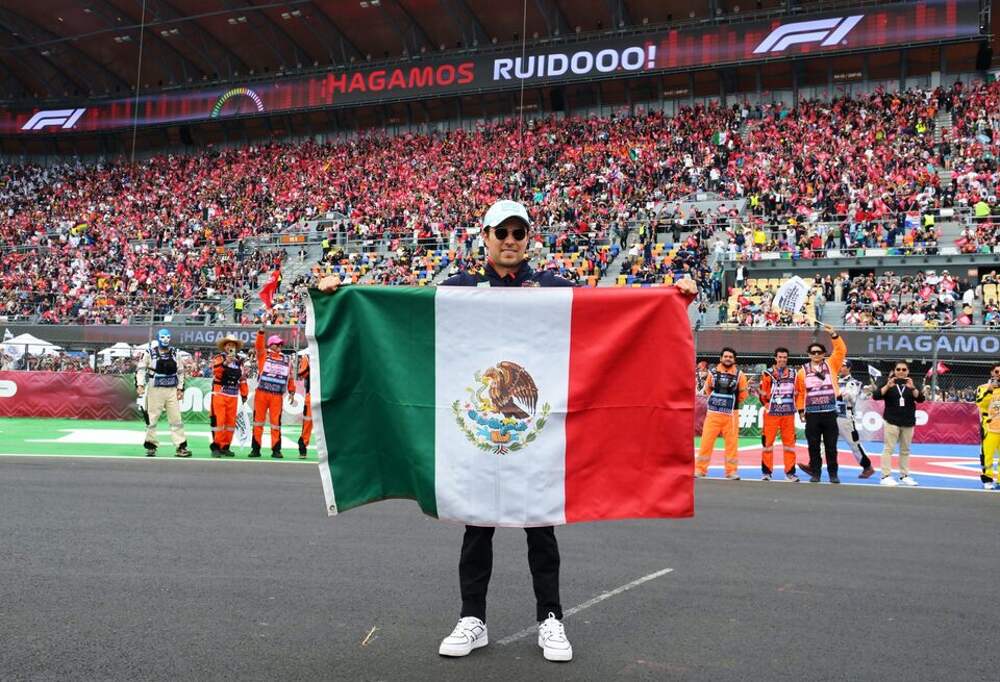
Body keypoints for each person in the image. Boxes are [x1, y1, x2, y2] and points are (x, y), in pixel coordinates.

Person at [317, 198, 698, 663]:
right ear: (486, 237)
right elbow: (399, 313)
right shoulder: (457, 290)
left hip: (537, 441)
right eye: (502, 233)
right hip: (478, 442)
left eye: (519, 233)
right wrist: (342, 294)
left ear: (528, 238)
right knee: (477, 529)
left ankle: (551, 619)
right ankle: (472, 619)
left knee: (541, 531)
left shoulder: (554, 289)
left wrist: (672, 296)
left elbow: (613, 312)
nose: (511, 241)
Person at [794, 325, 846, 483]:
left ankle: (833, 474)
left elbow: (841, 351)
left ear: (824, 354)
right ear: (809, 354)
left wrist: (834, 334)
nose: (816, 354)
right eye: (813, 352)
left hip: (830, 412)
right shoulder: (802, 371)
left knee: (831, 446)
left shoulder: (831, 365)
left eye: (819, 352)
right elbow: (800, 393)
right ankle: (816, 473)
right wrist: (801, 411)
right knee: (813, 446)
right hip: (812, 415)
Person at [136, 328, 192, 458]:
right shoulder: (149, 353)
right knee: (152, 419)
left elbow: (180, 371)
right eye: (162, 337)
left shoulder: (175, 353)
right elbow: (141, 369)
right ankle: (151, 445)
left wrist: (180, 388)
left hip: (171, 390)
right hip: (155, 389)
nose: (165, 339)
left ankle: (180, 446)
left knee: (176, 419)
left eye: (168, 337)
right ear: (158, 338)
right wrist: (140, 384)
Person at [696, 347, 747, 481]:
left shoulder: (740, 375)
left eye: (730, 357)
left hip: (731, 416)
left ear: (734, 360)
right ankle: (700, 469)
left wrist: (730, 404)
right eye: (726, 356)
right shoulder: (712, 373)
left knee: (732, 445)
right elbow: (707, 390)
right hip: (713, 414)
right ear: (721, 358)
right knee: (706, 442)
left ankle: (731, 471)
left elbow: (743, 395)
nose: (728, 359)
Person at [872, 360, 924, 486]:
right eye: (898, 369)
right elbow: (876, 396)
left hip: (908, 421)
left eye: (904, 369)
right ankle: (885, 476)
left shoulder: (912, 383)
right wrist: (887, 386)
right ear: (894, 371)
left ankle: (904, 475)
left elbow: (921, 399)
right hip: (891, 421)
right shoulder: (888, 382)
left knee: (905, 450)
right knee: (888, 449)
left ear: (908, 371)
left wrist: (913, 388)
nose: (901, 372)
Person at [252, 329, 295, 458]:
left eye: (281, 344)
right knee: (258, 422)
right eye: (277, 344)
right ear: (270, 345)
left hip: (277, 395)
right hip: (261, 393)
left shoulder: (287, 359)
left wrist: (292, 391)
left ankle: (276, 450)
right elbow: (258, 346)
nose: (280, 345)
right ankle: (255, 449)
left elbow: (290, 376)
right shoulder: (264, 355)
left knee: (276, 423)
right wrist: (261, 334)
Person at [758, 347, 798, 481]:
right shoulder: (767, 373)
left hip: (788, 414)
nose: (782, 360)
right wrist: (767, 404)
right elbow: (762, 393)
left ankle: (790, 473)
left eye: (785, 357)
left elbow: (798, 391)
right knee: (767, 443)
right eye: (780, 357)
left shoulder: (794, 373)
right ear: (775, 358)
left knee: (790, 445)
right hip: (771, 414)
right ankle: (766, 472)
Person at [834, 361, 876, 479]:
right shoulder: (833, 380)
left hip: (845, 417)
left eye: (843, 366)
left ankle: (867, 466)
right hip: (830, 415)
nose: (840, 368)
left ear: (849, 368)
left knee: (853, 443)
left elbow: (851, 397)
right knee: (823, 441)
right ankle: (813, 465)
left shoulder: (854, 383)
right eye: (840, 365)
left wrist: (838, 393)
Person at [210, 334, 248, 457]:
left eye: (233, 345)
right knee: (219, 421)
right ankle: (216, 447)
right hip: (219, 393)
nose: (230, 347)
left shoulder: (239, 362)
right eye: (228, 345)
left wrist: (244, 393)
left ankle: (225, 446)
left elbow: (242, 379)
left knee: (230, 423)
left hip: (233, 396)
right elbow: (216, 372)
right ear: (224, 347)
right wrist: (226, 362)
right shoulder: (219, 358)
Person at [975, 363, 1000, 490]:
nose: (999, 374)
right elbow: (980, 404)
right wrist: (990, 390)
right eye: (997, 371)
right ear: (992, 373)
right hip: (989, 427)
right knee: (987, 455)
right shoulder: (983, 387)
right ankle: (988, 479)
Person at [297, 353, 311, 459]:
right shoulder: (308, 357)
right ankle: (302, 445)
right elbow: (301, 374)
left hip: (326, 395)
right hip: (311, 395)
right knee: (307, 423)